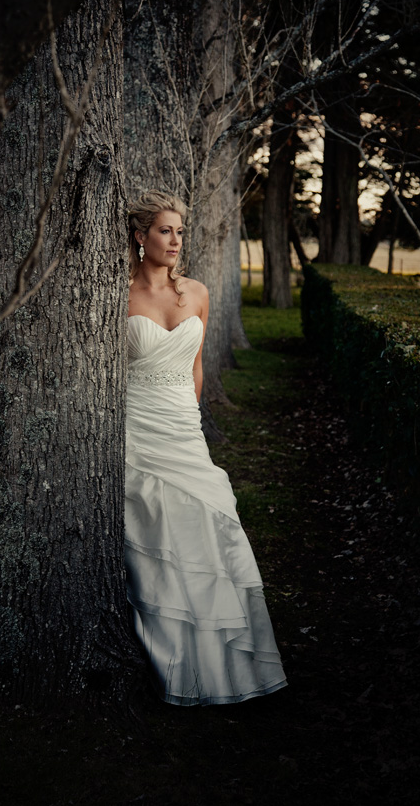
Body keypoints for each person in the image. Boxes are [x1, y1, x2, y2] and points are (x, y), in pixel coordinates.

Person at [125, 189, 287, 705]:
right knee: (153, 521)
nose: (174, 241)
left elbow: (194, 366)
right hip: (137, 422)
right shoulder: (116, 294)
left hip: (182, 424)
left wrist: (191, 420)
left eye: (178, 232)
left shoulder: (196, 292)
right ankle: (167, 644)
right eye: (164, 231)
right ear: (140, 236)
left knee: (209, 517)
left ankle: (222, 651)